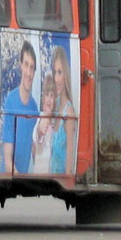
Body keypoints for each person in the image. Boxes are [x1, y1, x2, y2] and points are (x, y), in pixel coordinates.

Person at [1, 40, 38, 174]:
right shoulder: (11, 100)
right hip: (8, 179)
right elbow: (7, 162)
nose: (28, 72)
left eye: (32, 67)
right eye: (26, 65)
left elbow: (35, 153)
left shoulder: (35, 108)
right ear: (20, 66)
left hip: (22, 178)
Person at [49, 43, 76, 174]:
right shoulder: (54, 106)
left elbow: (70, 153)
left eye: (60, 72)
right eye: (54, 73)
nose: (56, 79)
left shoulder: (69, 111)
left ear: (66, 74)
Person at [30, 74, 57, 174]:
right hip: (41, 173)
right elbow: (39, 136)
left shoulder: (55, 120)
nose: (49, 99)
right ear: (43, 97)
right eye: (47, 95)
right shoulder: (41, 118)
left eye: (52, 95)